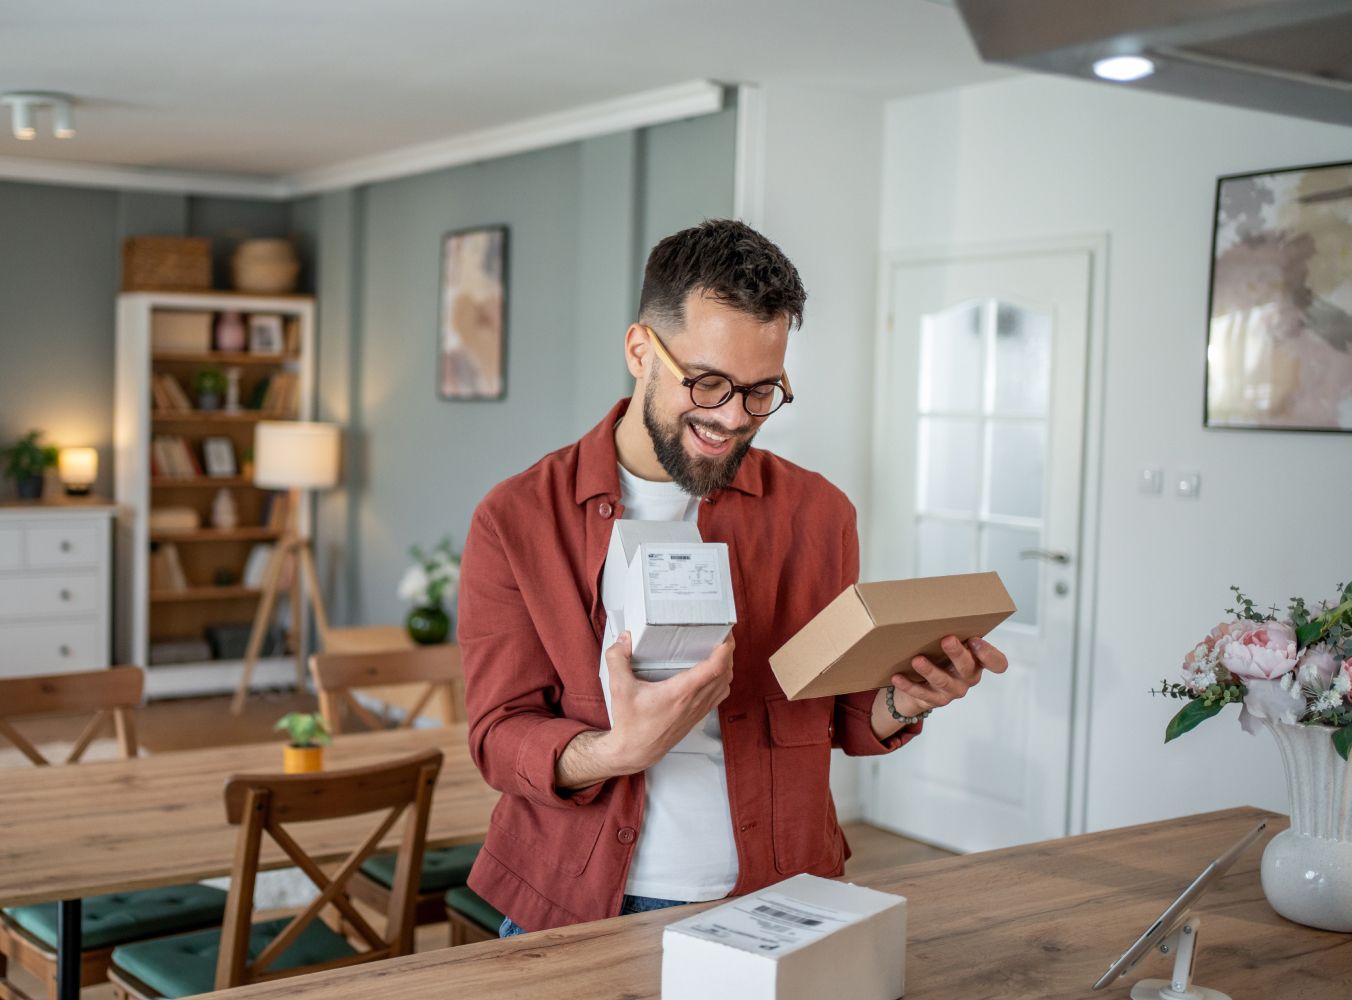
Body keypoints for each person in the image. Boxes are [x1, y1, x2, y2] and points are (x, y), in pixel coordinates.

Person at [458, 219, 1008, 935]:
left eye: (760, 392)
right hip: (581, 903)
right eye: (709, 383)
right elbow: (499, 735)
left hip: (781, 894)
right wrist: (621, 751)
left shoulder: (818, 514)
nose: (731, 419)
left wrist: (904, 701)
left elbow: (832, 713)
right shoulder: (518, 519)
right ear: (639, 351)